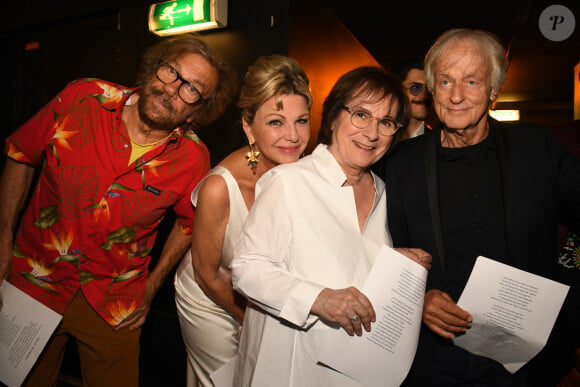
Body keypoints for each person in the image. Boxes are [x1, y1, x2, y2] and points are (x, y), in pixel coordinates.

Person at [0, 33, 238, 386]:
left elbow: (189, 224)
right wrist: (3, 238)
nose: (173, 89)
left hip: (114, 302)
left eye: (192, 89)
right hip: (34, 279)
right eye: (171, 72)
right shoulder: (82, 97)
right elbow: (21, 153)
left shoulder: (192, 157)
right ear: (152, 69)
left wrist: (153, 283)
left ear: (198, 111)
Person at [382, 28, 580, 386]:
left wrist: (566, 293)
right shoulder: (401, 164)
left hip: (524, 361)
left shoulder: (538, 149)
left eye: (471, 81)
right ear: (431, 89)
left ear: (493, 91)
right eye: (445, 81)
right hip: (436, 359)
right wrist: (419, 297)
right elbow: (386, 252)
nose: (456, 96)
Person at [230, 66, 432, 386]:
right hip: (294, 367)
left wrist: (394, 263)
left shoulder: (381, 190)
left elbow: (349, 258)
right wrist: (318, 298)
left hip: (355, 365)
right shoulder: (290, 181)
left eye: (386, 122)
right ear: (334, 117)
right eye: (361, 115)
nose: (372, 133)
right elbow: (247, 268)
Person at [173, 54, 313, 387]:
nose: (293, 136)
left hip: (262, 299)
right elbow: (208, 272)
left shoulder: (307, 174)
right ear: (249, 127)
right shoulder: (219, 188)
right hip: (210, 297)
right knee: (231, 380)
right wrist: (251, 320)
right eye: (276, 122)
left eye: (302, 120)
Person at [395, 57, 433, 142]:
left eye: (428, 89)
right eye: (416, 87)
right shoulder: (381, 135)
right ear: (399, 89)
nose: (423, 95)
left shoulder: (439, 143)